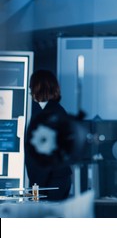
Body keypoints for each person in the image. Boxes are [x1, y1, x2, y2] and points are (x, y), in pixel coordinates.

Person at [25, 69, 72, 201]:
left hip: (49, 183)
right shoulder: (56, 111)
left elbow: (43, 156)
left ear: (39, 88)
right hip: (57, 181)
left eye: (32, 86)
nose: (30, 90)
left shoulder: (47, 115)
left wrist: (36, 191)